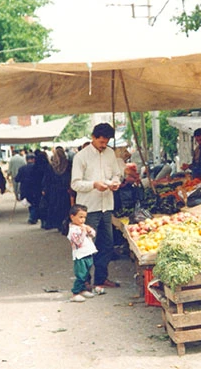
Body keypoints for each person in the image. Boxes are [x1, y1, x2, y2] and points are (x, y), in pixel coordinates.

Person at [71, 123, 123, 290]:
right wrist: (94, 184)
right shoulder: (81, 157)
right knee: (85, 247)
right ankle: (84, 281)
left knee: (106, 245)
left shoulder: (110, 154)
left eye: (106, 142)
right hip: (88, 208)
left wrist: (115, 182)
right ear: (93, 137)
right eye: (101, 141)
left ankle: (101, 278)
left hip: (106, 205)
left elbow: (116, 173)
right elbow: (75, 184)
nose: (103, 145)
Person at [67, 204, 103, 302]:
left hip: (88, 253)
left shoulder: (82, 226)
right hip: (80, 255)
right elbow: (78, 242)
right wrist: (83, 232)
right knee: (81, 275)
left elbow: (93, 234)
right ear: (72, 216)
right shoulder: (73, 230)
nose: (82, 220)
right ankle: (75, 292)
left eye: (84, 217)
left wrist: (89, 230)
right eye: (80, 217)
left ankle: (83, 289)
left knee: (87, 273)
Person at [41, 146, 73, 232]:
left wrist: (45, 189)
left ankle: (59, 225)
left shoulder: (51, 166)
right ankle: (65, 224)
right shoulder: (69, 164)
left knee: (56, 208)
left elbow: (47, 179)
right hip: (66, 190)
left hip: (54, 191)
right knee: (66, 208)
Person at [15, 153, 40, 224]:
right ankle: (33, 217)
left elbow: (17, 179)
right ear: (34, 159)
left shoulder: (22, 168)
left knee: (29, 203)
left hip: (25, 189)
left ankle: (32, 217)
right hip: (35, 188)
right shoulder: (37, 168)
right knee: (34, 203)